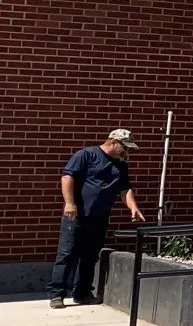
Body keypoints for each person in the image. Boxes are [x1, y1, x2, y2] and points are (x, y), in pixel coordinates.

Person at [49, 129, 145, 308]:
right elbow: (67, 177)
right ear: (114, 142)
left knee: (90, 256)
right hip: (76, 216)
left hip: (99, 217)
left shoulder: (121, 165)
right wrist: (70, 203)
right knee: (67, 254)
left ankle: (83, 293)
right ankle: (57, 294)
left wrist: (133, 207)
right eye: (125, 147)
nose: (127, 152)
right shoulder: (87, 155)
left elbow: (125, 189)